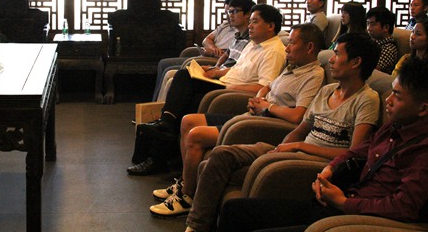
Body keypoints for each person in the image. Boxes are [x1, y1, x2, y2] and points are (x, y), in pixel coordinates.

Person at [181, 32, 381, 231]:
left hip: (314, 161)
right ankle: (196, 226)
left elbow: (352, 153)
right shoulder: (327, 90)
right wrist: (281, 148)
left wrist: (298, 147)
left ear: (356, 62)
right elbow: (301, 129)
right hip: (293, 150)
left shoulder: (366, 100)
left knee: (218, 170)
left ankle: (198, 226)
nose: (331, 59)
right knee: (219, 156)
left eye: (337, 54)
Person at [218, 56, 428, 232]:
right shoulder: (393, 126)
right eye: (391, 92)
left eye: (397, 96)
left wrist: (344, 203)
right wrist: (330, 169)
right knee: (234, 210)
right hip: (341, 199)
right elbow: (356, 151)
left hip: (356, 216)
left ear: (423, 108)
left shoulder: (421, 149)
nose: (388, 100)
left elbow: (404, 206)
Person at [149, 23, 325, 215]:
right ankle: (185, 182)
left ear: (309, 47)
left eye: (292, 43)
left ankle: (187, 196)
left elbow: (298, 115)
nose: (287, 48)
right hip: (253, 114)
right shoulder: (292, 66)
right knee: (188, 121)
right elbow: (267, 86)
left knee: (196, 134)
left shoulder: (314, 75)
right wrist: (260, 97)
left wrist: (268, 107)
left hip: (266, 124)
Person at [128, 4, 285, 176]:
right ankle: (165, 128)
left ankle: (160, 150)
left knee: (186, 100)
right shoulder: (253, 44)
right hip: (223, 83)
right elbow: (237, 69)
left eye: (255, 22)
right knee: (183, 76)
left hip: (230, 91)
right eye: (251, 22)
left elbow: (263, 88)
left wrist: (231, 87)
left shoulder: (273, 52)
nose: (250, 26)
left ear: (271, 26)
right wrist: (217, 71)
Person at [151, 0, 255, 101]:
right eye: (229, 12)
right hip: (219, 70)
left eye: (235, 11)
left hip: (225, 77)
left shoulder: (252, 42)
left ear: (248, 14)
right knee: (172, 74)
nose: (230, 15)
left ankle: (162, 110)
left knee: (178, 76)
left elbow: (239, 69)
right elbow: (218, 48)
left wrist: (217, 71)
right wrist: (216, 65)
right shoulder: (235, 34)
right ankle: (156, 108)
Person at [366, 6, 398, 74]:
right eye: (368, 23)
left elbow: (371, 72)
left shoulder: (388, 49)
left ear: (386, 27)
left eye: (373, 24)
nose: (369, 28)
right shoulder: (372, 42)